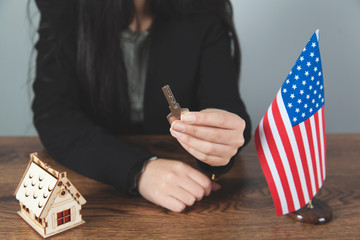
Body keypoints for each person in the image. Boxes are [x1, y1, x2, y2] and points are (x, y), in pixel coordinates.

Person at [32, 0, 251, 212]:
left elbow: (227, 106)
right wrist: (138, 170)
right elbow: (53, 114)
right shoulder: (63, 7)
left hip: (196, 189)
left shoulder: (203, 8)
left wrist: (219, 140)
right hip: (93, 181)